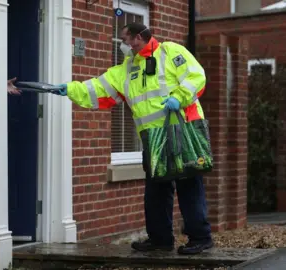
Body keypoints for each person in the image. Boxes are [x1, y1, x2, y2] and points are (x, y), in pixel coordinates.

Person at [39, 22, 213, 255]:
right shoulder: (126, 69)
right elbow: (97, 88)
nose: (125, 44)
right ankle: (160, 239)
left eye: (127, 39)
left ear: (140, 37)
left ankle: (200, 238)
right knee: (156, 191)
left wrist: (179, 98)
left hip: (183, 130)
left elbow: (196, 76)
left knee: (188, 184)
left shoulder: (170, 52)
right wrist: (69, 89)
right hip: (153, 138)